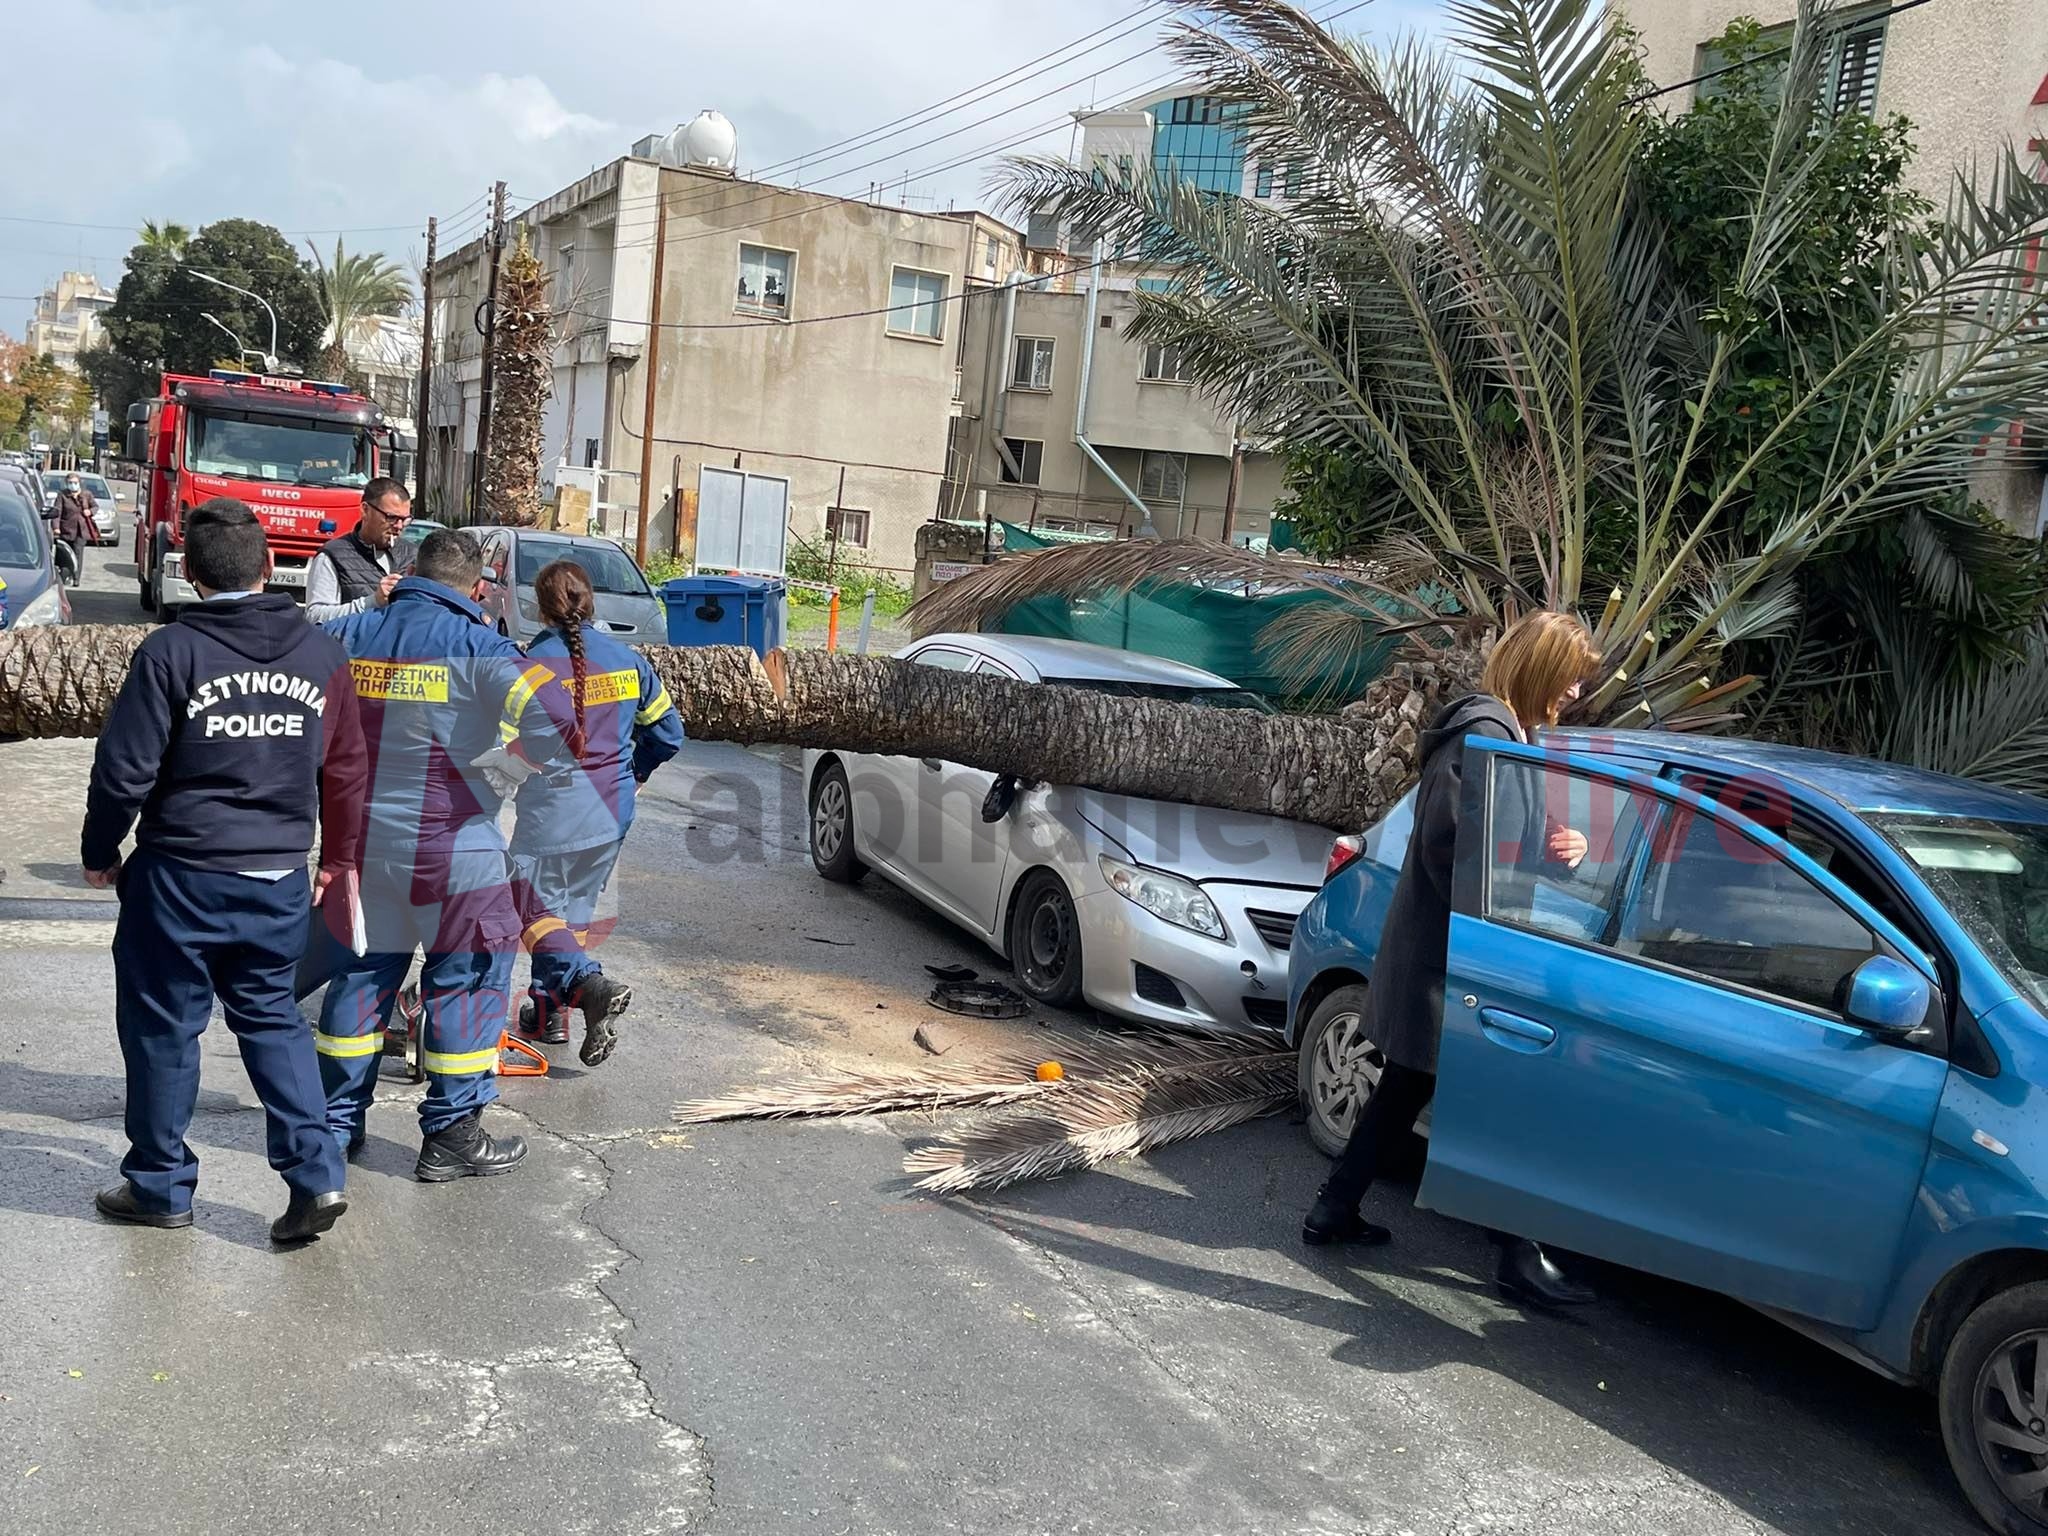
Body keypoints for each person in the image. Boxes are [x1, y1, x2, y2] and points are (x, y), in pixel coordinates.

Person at [81, 497, 364, 1245]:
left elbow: (122, 772)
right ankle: (317, 1175)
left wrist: (99, 850)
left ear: (191, 574)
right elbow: (347, 770)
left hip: (180, 877)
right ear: (272, 565)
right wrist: (338, 858)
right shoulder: (322, 656)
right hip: (274, 877)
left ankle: (159, 1185)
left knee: (164, 1026)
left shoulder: (172, 654)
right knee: (272, 1019)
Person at [1301, 610, 1601, 1311]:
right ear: (1541, 670)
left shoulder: (1501, 734)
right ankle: (1516, 1256)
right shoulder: (1485, 733)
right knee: (1493, 1099)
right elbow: (1452, 846)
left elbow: (1491, 839)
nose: (1578, 692)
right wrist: (1509, 905)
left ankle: (1333, 1210)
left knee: (1404, 1090)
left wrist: (1554, 852)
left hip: (1445, 955)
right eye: (1572, 677)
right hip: (1451, 959)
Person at [317, 528, 568, 1181]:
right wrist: (501, 771)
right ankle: (452, 1137)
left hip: (366, 843)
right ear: (477, 588)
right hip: (456, 846)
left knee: (361, 977)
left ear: (408, 572)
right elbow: (557, 719)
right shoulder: (483, 648)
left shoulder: (351, 636)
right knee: (469, 982)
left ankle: (335, 1126)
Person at [509, 560, 684, 1065]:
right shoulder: (630, 661)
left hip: (552, 814)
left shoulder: (529, 668)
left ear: (540, 608)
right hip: (612, 810)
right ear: (592, 604)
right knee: (573, 914)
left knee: (533, 910)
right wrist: (637, 772)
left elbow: (499, 749)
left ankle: (590, 984)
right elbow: (668, 734)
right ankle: (549, 1015)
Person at [304, 477, 412, 623]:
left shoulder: (412, 555)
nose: (399, 526)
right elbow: (314, 617)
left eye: (405, 519)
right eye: (391, 517)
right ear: (365, 510)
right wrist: (372, 602)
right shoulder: (333, 556)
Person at [54, 472, 95, 578]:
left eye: (75, 482)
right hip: (66, 530)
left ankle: (76, 577)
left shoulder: (86, 495)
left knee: (78, 554)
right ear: (66, 483)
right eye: (70, 482)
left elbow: (95, 506)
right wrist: (56, 527)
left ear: (79, 483)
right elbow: (57, 512)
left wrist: (90, 511)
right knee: (65, 554)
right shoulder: (62, 495)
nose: (73, 485)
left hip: (81, 531)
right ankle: (63, 576)